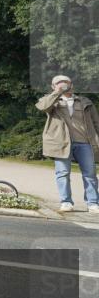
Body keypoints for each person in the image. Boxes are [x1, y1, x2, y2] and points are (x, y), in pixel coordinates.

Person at [36, 74, 99, 213]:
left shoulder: (84, 101)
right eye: (59, 83)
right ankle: (66, 202)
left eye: (66, 82)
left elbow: (96, 122)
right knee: (63, 173)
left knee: (90, 173)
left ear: (72, 85)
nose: (63, 84)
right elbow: (42, 107)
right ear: (53, 86)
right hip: (61, 143)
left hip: (85, 142)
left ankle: (93, 203)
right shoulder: (51, 101)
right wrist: (57, 92)